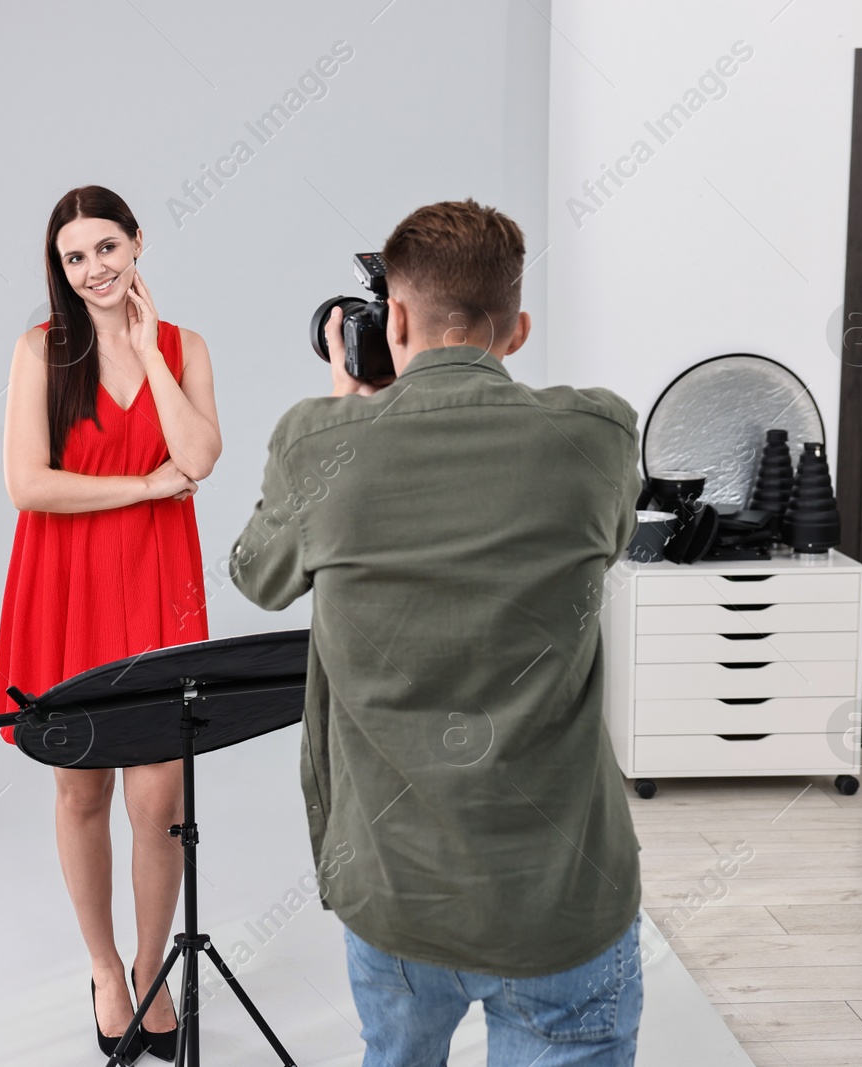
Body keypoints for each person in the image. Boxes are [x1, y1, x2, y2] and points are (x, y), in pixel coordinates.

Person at [228, 198, 645, 1066]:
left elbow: (256, 575)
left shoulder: (317, 444)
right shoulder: (598, 434)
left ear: (396, 319)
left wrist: (346, 408)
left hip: (397, 890)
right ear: (518, 328)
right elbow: (603, 540)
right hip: (560, 898)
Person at [0, 184, 221, 1061]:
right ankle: (102, 969)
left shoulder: (186, 346)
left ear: (138, 244)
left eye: (105, 249)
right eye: (73, 257)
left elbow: (198, 456)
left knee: (161, 799)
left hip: (162, 585)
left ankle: (153, 965)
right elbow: (28, 484)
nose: (92, 270)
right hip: (68, 586)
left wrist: (150, 352)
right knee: (81, 786)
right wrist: (143, 487)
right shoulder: (40, 352)